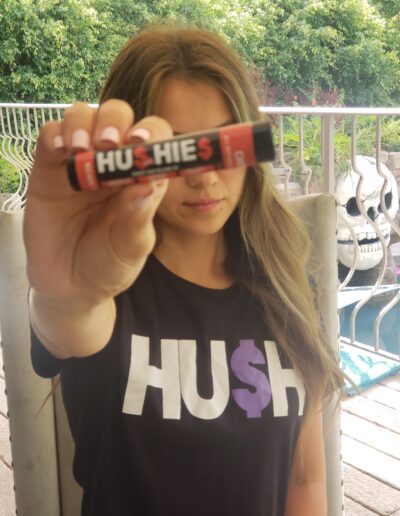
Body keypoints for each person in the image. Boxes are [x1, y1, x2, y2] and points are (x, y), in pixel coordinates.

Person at [24, 25, 344, 516]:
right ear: (131, 161)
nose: (205, 174)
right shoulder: (102, 285)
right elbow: (69, 316)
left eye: (220, 144)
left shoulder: (291, 283)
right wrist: (67, 295)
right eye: (175, 149)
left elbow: (305, 478)